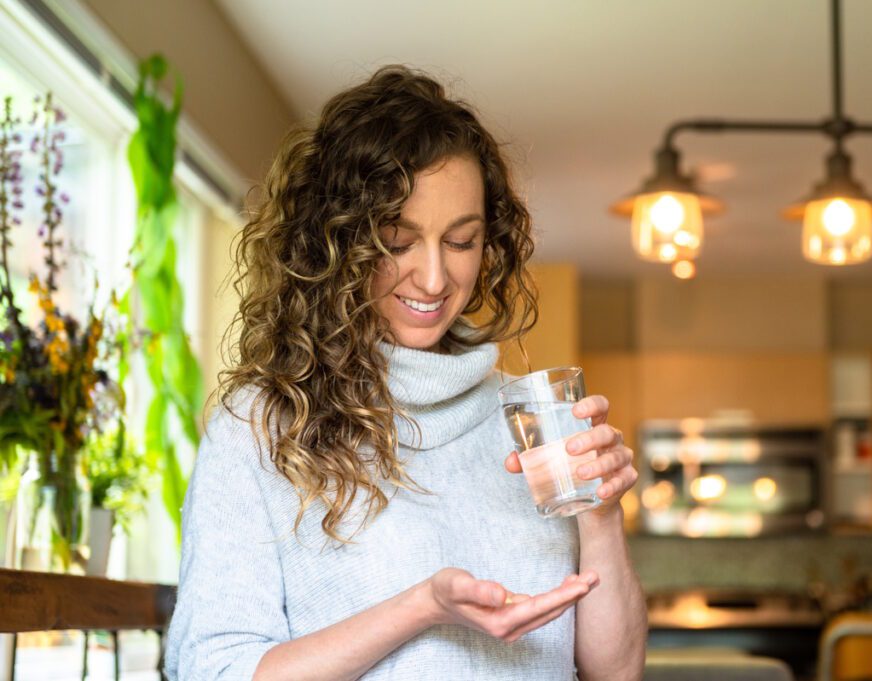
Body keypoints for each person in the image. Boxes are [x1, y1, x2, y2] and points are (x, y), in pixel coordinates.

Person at [164, 65, 646, 681]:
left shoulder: (528, 427)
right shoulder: (259, 429)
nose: (435, 279)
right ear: (335, 242)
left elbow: (618, 672)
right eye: (397, 240)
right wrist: (421, 608)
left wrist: (602, 519)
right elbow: (215, 670)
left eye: (461, 241)